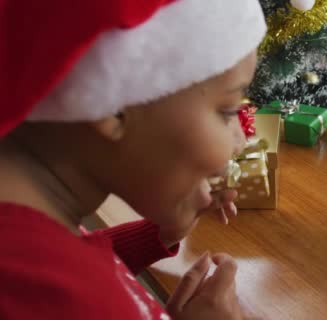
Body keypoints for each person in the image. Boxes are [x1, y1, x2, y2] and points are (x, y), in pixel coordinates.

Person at [0, 0, 267, 319]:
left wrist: (157, 235)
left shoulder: (29, 247)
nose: (240, 140)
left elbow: (71, 256)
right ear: (112, 104)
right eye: (226, 111)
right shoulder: (75, 300)